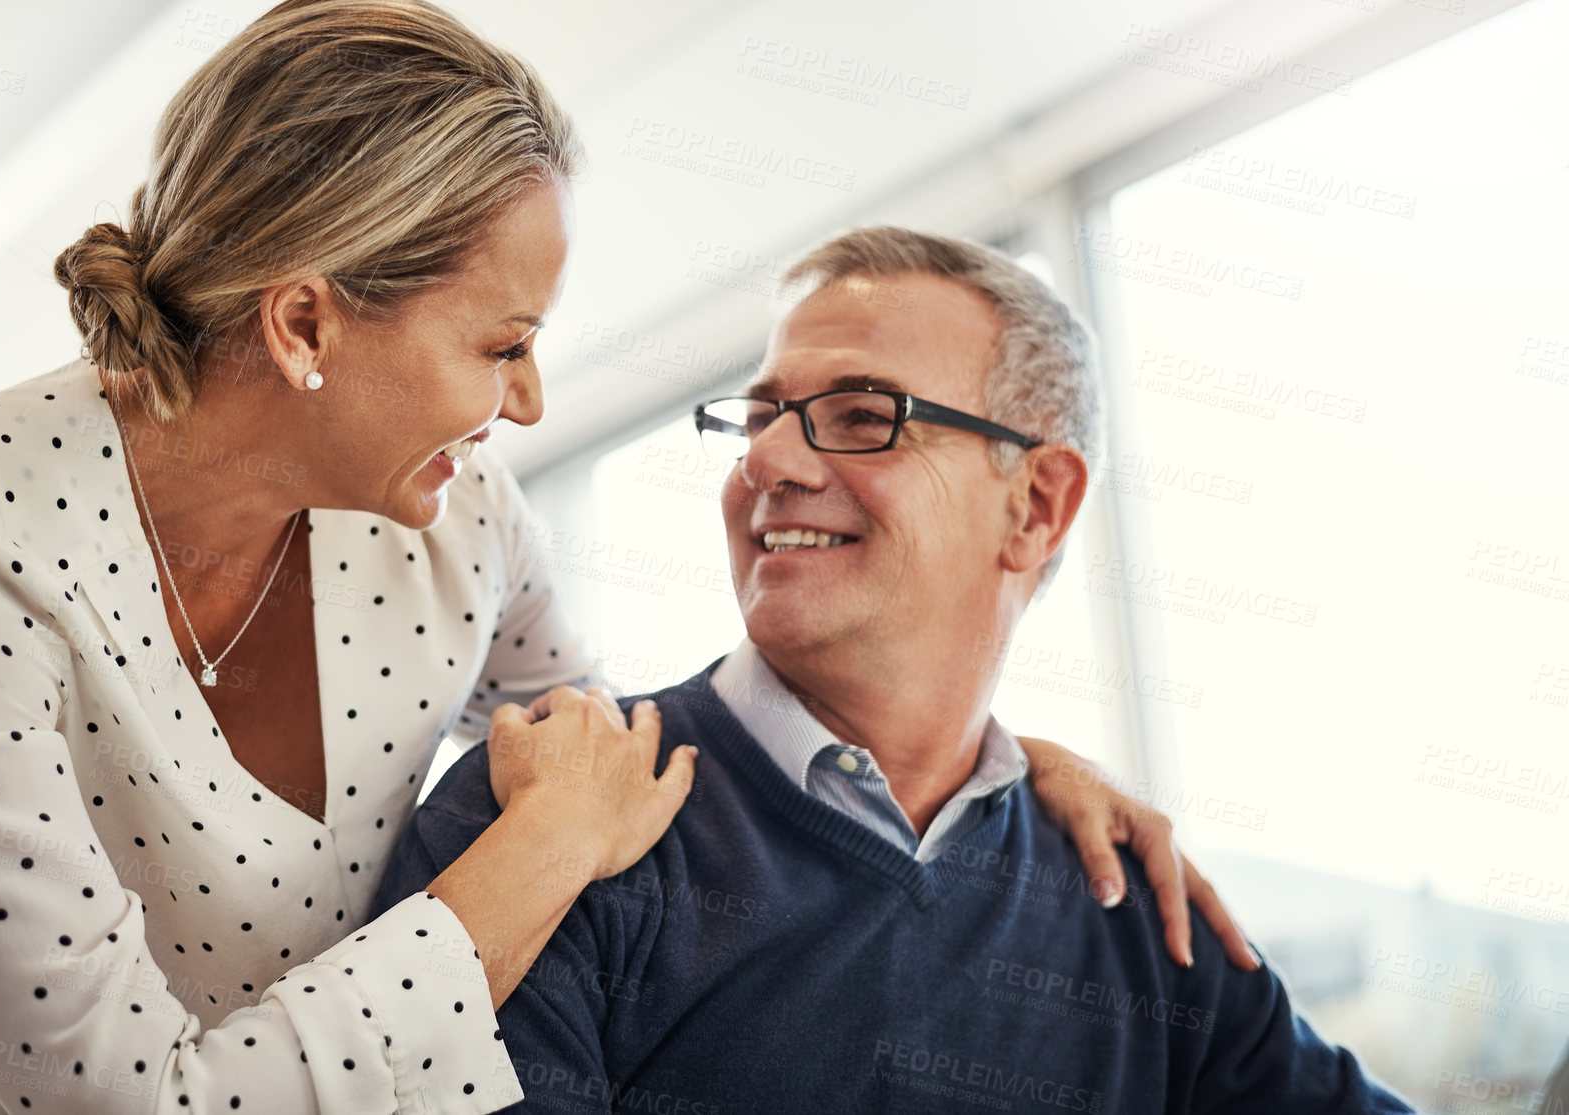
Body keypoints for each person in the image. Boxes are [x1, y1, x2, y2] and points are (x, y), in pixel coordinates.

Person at [0, 5, 1242, 1114]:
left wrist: (994, 768)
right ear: (304, 326)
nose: (527, 405)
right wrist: (533, 856)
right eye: (503, 345)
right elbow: (120, 1095)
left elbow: (631, 751)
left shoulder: (454, 516)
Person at [374, 227, 1414, 1112]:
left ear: (1036, 506)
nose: (768, 464)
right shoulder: (540, 827)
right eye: (761, 415)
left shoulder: (1130, 904)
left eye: (865, 416)